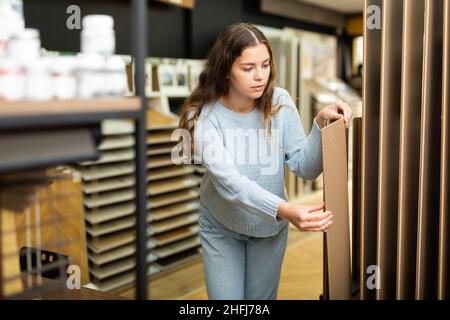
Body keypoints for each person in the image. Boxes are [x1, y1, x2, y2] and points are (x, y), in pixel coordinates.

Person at [179, 23, 353, 300]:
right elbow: (231, 185)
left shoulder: (279, 102)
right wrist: (286, 209)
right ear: (225, 69)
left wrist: (320, 124)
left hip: (269, 230)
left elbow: (305, 167)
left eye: (265, 65)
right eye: (248, 68)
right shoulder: (202, 117)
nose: (260, 76)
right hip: (221, 226)